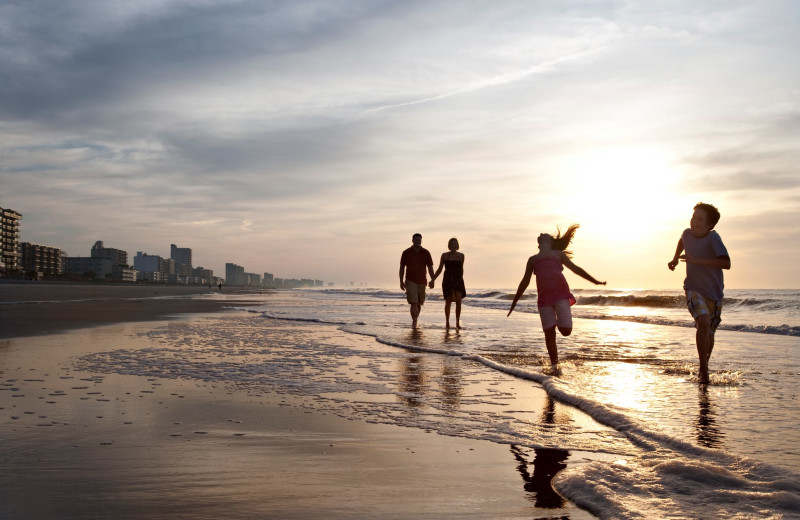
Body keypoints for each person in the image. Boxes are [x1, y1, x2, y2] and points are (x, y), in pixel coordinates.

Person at [508, 224, 606, 367]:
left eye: (545, 234)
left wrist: (595, 281)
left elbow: (576, 269)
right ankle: (555, 365)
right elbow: (524, 282)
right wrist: (514, 302)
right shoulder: (533, 260)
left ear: (551, 242)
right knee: (549, 334)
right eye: (541, 234)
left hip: (561, 296)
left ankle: (558, 324)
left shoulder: (558, 254)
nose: (541, 233)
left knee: (566, 331)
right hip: (544, 301)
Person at [668, 202, 731, 384]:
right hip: (693, 288)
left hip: (715, 292)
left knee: (709, 332)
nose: (694, 221)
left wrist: (696, 260)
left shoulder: (713, 239)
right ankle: (704, 369)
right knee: (702, 321)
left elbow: (726, 263)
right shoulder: (687, 233)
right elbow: (682, 240)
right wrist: (674, 259)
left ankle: (704, 366)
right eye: (693, 217)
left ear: (709, 225)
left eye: (699, 219)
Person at [399, 233, 435, 327]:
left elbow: (430, 267)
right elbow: (402, 268)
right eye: (416, 240)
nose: (417, 241)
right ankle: (414, 321)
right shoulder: (406, 252)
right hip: (410, 280)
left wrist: (433, 279)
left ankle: (415, 319)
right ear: (412, 240)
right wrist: (401, 281)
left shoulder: (426, 252)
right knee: (413, 303)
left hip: (422, 281)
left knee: (419, 303)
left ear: (421, 241)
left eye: (419, 240)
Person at [431, 237, 466, 330]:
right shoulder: (445, 255)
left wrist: (461, 279)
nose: (453, 246)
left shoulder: (461, 256)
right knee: (448, 302)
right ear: (449, 245)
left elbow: (461, 269)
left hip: (458, 280)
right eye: (452, 244)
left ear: (457, 245)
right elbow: (439, 269)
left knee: (459, 302)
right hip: (447, 280)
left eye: (455, 244)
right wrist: (433, 279)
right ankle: (447, 322)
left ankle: (457, 322)